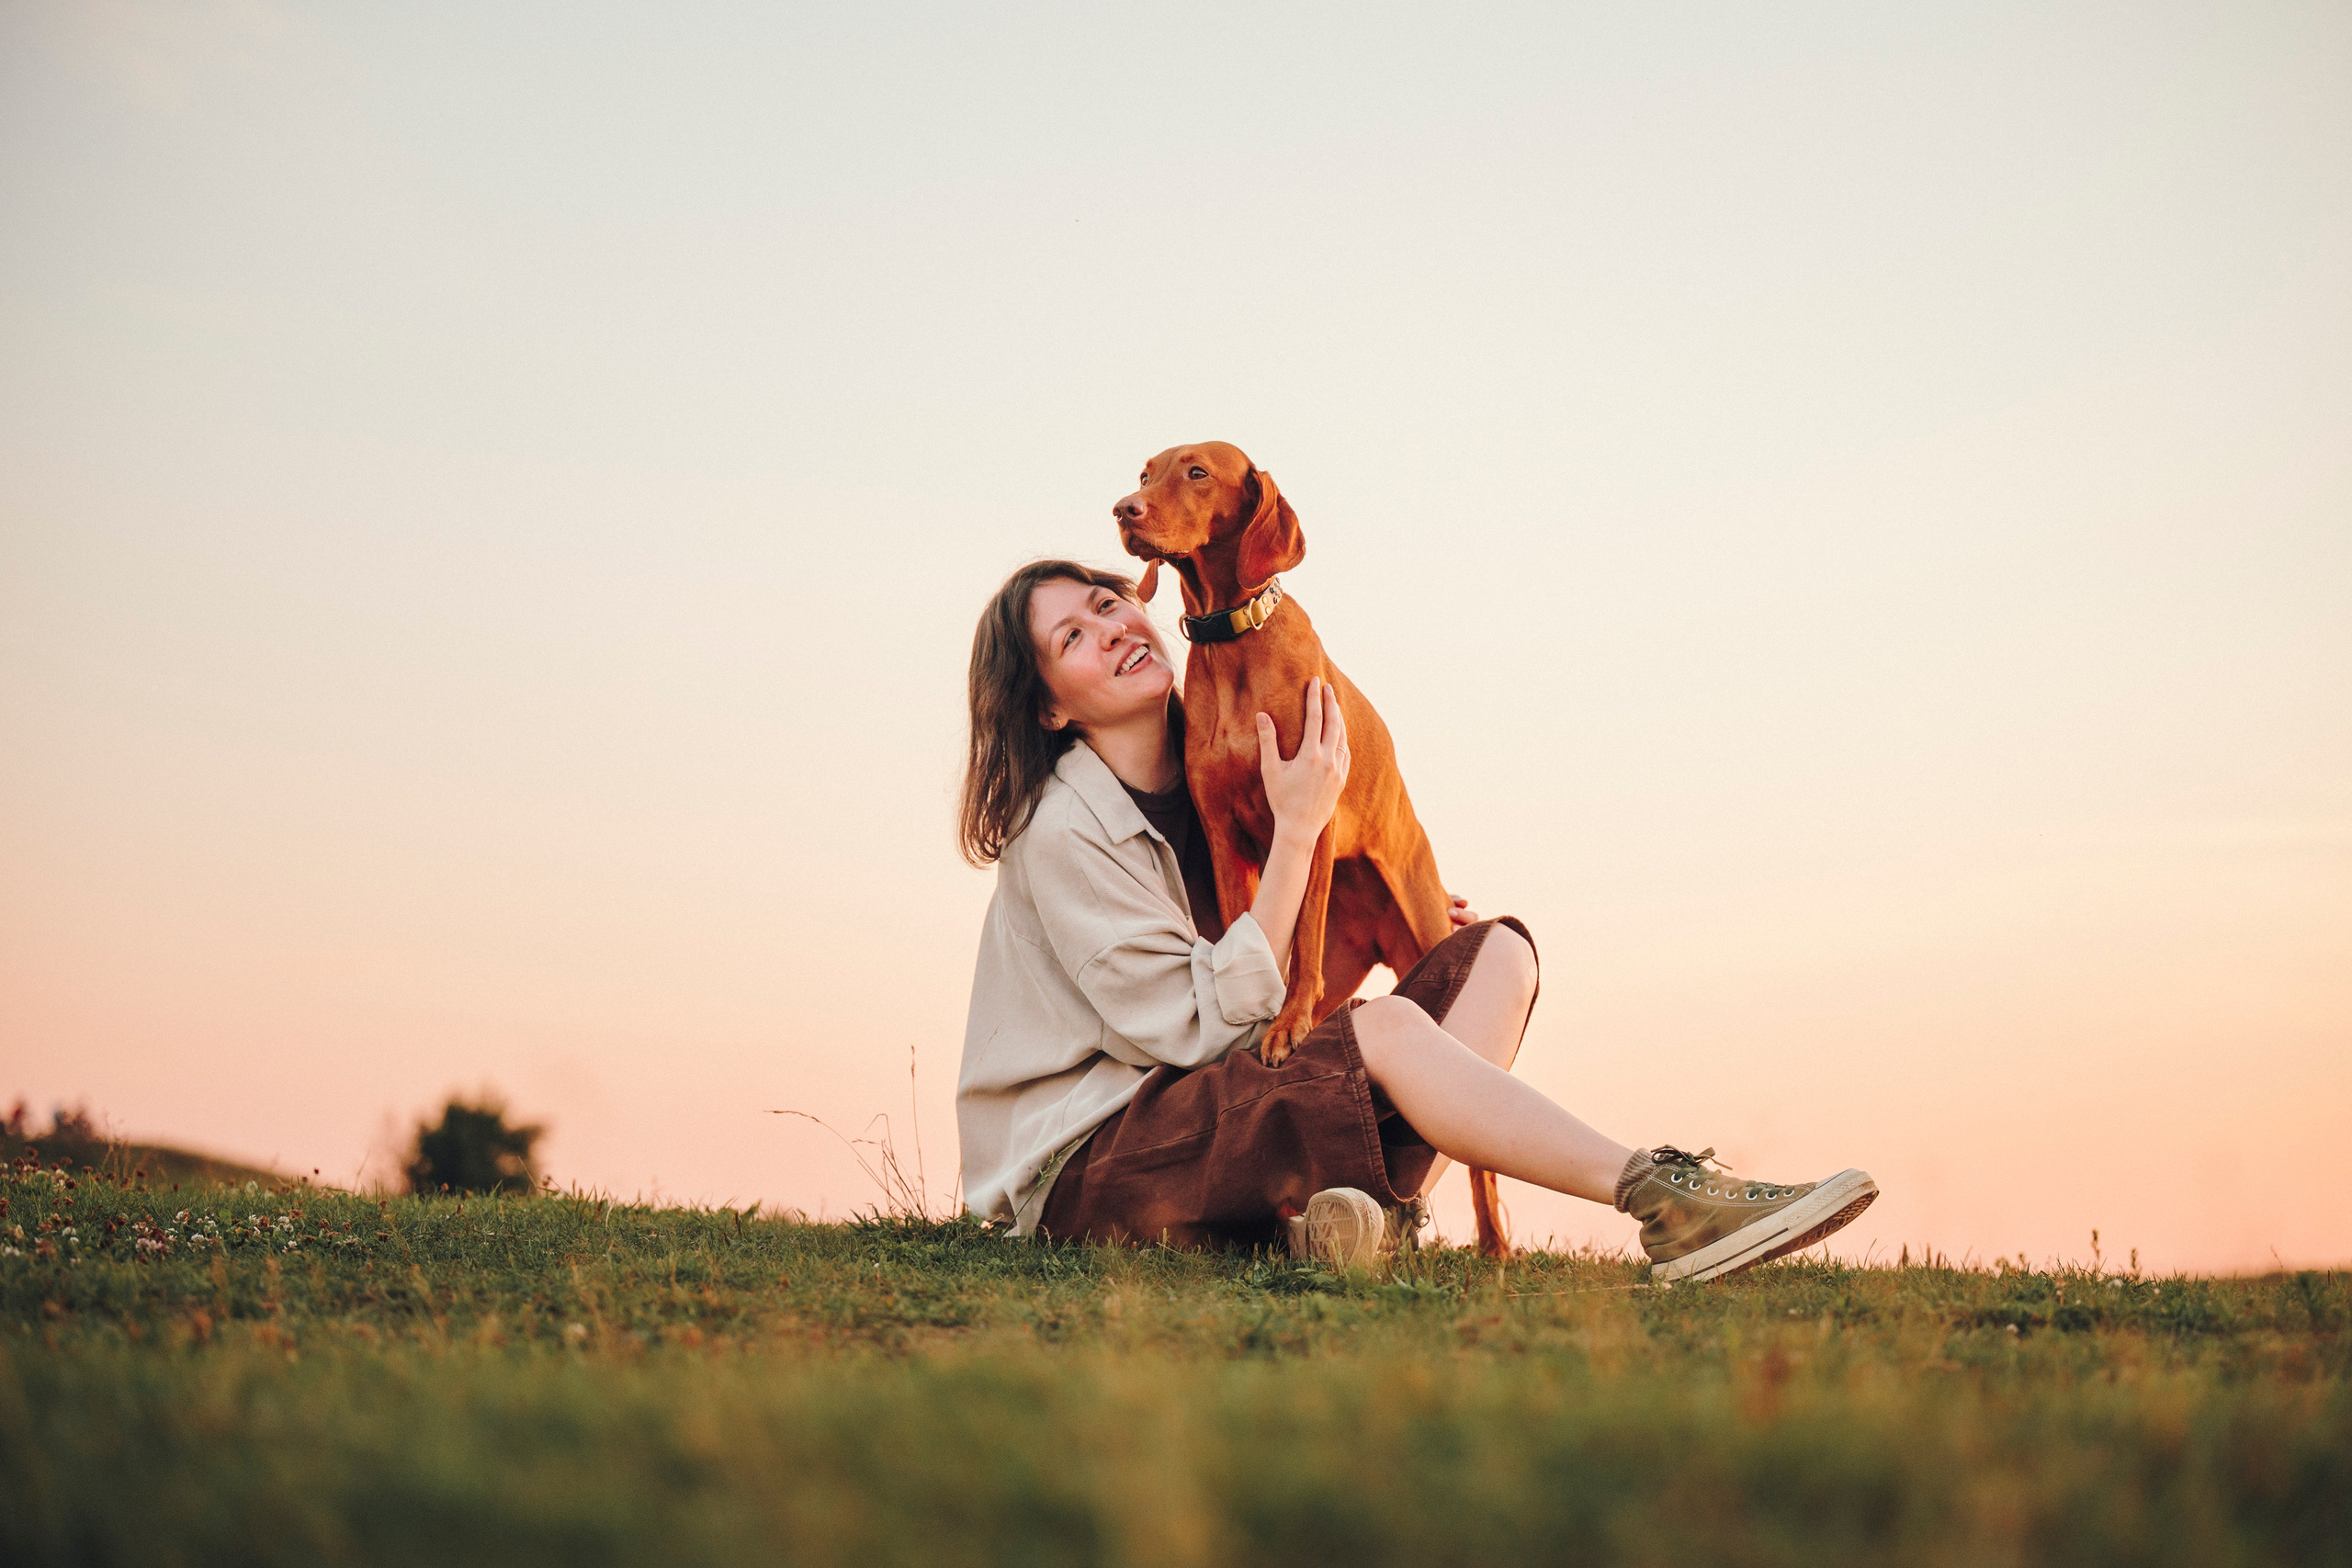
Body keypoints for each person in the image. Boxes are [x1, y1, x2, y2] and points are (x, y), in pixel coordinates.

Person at [954, 559, 1876, 1281]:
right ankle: (1664, 1199)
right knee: (1387, 1026)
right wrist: (1298, 832)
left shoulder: (1213, 771)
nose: (1113, 630)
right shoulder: (1062, 831)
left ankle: (1366, 1221)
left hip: (1218, 1118)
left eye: (1109, 604)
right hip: (1091, 1163)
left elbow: (1266, 968)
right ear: (1047, 705)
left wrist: (1362, 900)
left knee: (1494, 954)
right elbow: (1188, 1032)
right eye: (1073, 635)